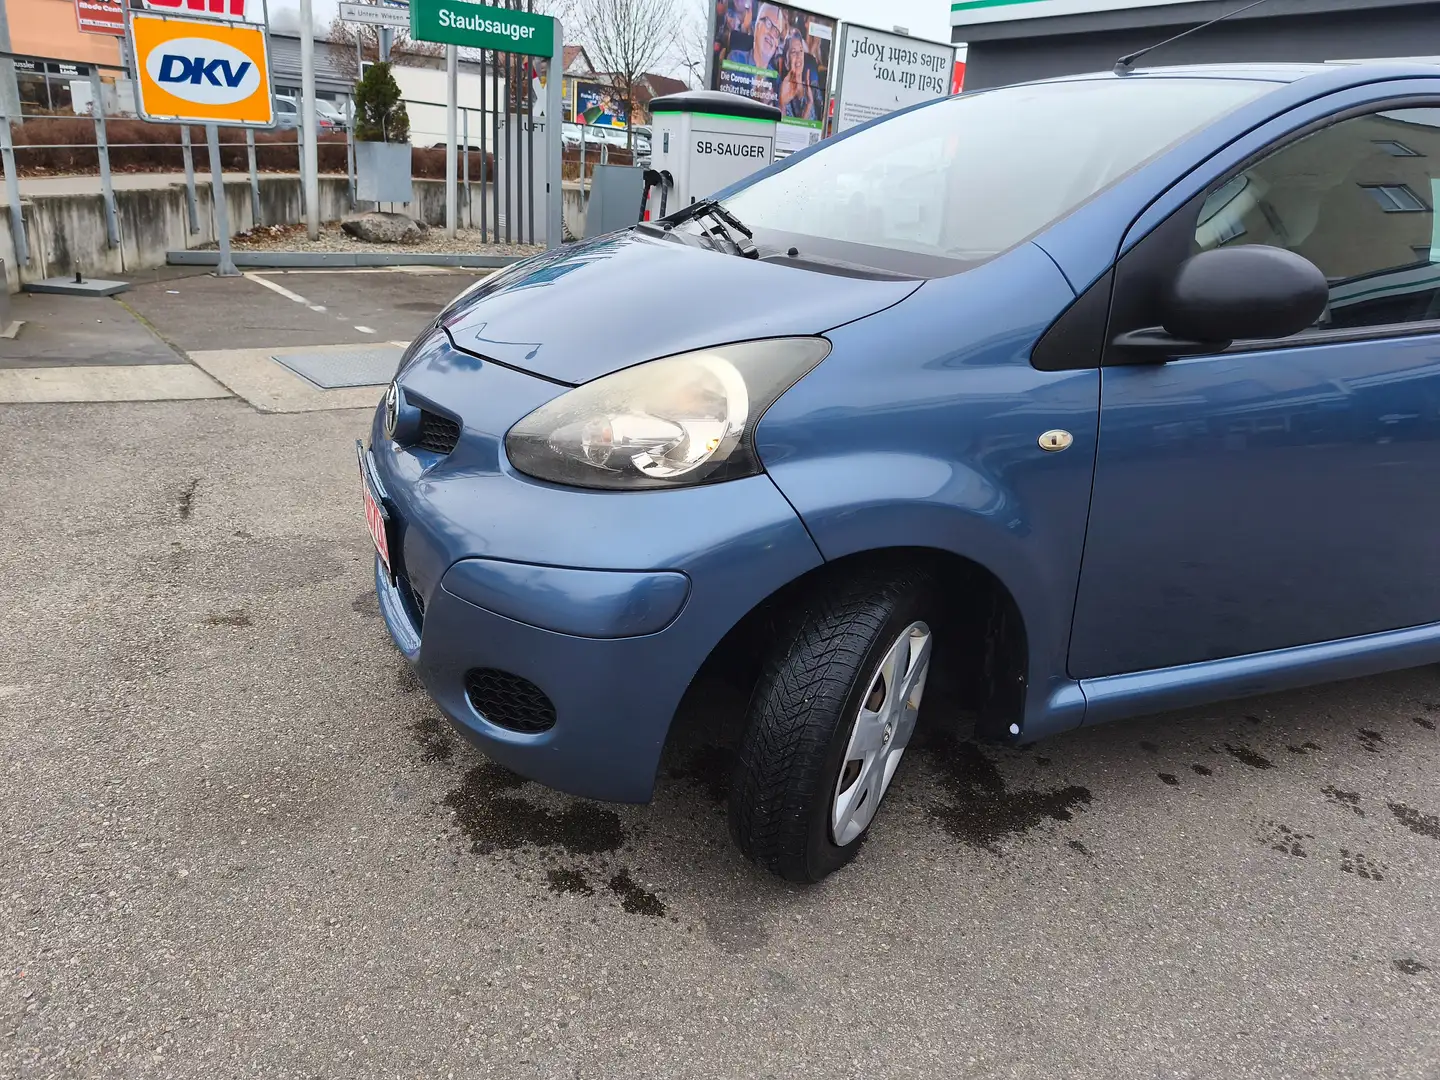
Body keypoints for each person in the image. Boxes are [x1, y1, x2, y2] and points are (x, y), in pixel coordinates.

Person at [778, 32, 816, 120]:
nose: (799, 56)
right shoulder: (782, 92)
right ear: (787, 63)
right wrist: (782, 104)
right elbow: (786, 127)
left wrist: (810, 102)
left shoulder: (813, 88)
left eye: (801, 51)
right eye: (794, 52)